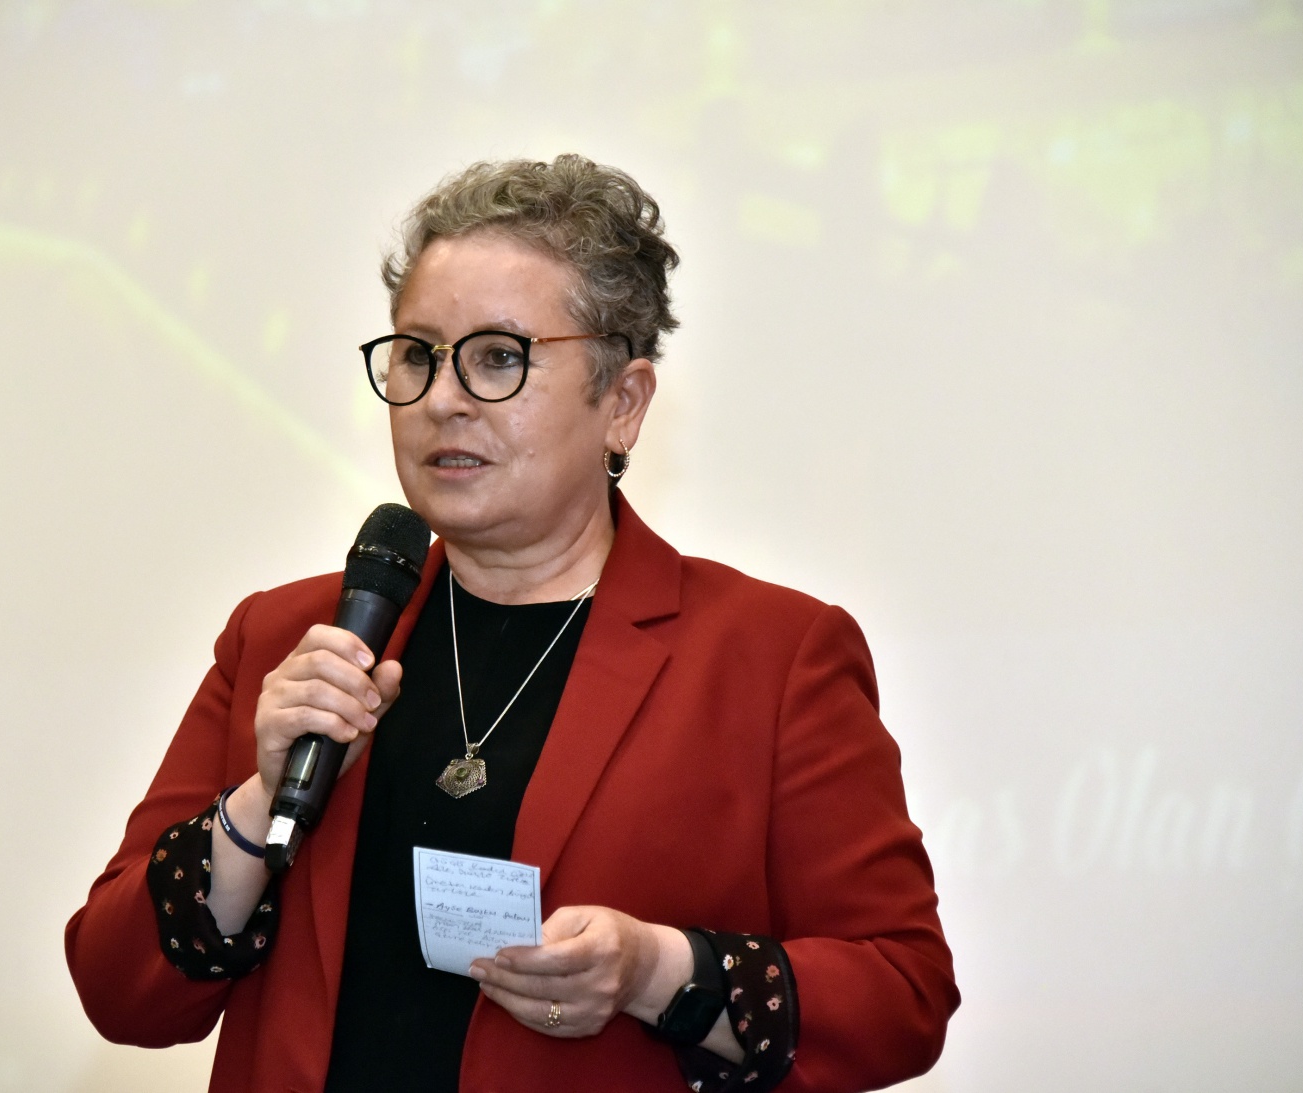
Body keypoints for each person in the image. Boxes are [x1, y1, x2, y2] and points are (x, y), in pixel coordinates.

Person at [65, 154, 957, 1093]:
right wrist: (257, 806)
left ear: (622, 404)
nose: (442, 398)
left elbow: (901, 992)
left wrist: (659, 972)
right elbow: (117, 990)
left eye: (498, 357)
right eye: (418, 355)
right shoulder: (288, 637)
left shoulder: (770, 657)